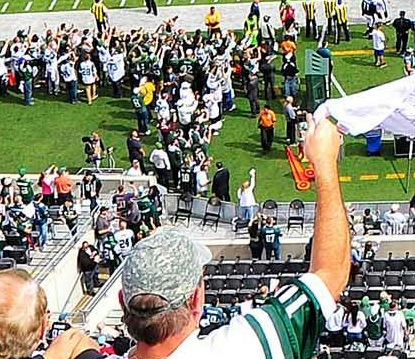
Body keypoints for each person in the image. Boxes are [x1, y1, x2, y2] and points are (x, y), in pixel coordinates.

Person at [115, 116, 349, 359]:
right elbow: (331, 274)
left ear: (123, 303)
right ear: (196, 300)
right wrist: (324, 163)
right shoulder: (243, 347)